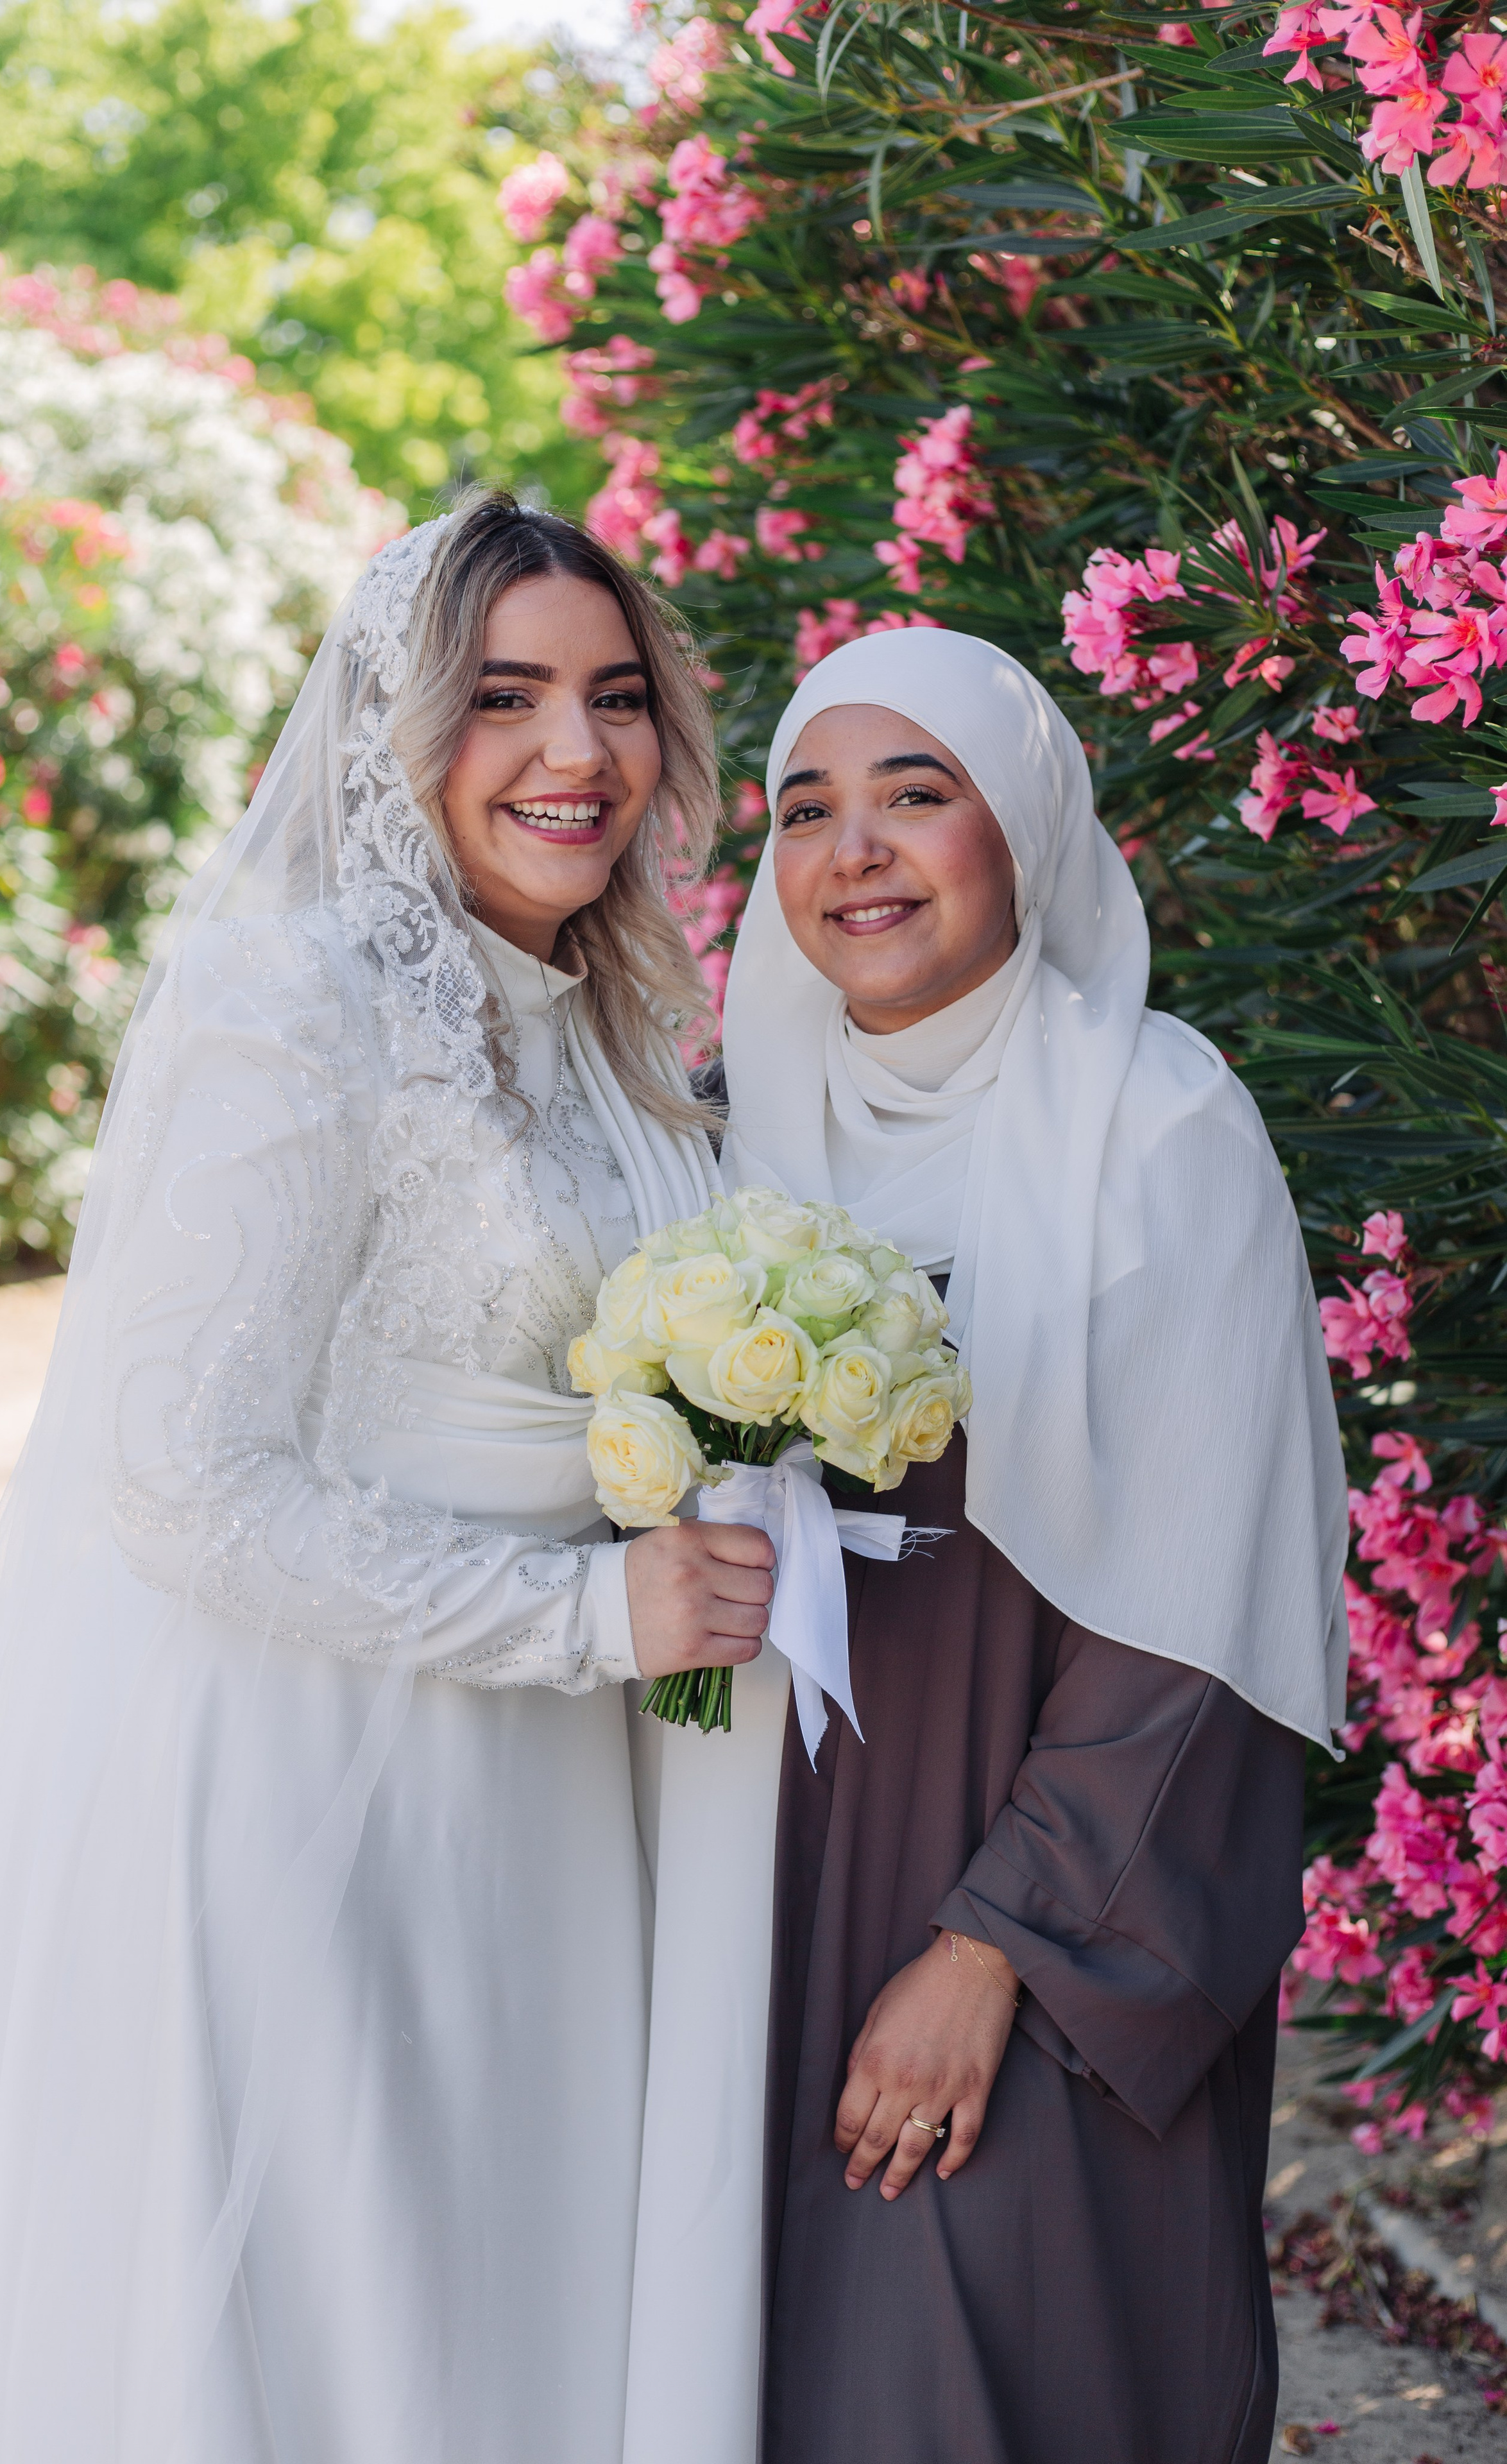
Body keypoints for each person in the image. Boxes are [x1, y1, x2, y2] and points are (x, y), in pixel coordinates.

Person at [0, 492, 778, 2463]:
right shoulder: (289, 1003)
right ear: (396, 724)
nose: (578, 754)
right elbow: (182, 1477)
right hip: (327, 1783)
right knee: (355, 2319)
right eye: (507, 697)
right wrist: (575, 1614)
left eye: (618, 700)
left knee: (508, 2312)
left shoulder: (616, 1022)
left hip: (559, 1794)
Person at [720, 629, 1349, 2464]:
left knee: (977, 2368)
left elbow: (1199, 1608)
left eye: (920, 795)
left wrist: (992, 1953)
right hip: (749, 1880)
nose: (858, 853)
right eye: (808, 809)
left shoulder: (1158, 1129)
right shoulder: (737, 1131)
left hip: (1038, 1904)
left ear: (1030, 831)